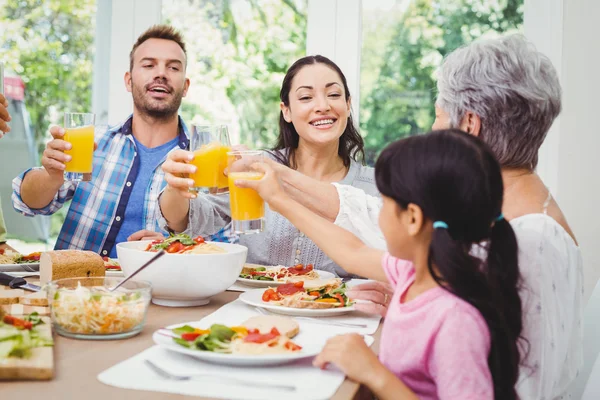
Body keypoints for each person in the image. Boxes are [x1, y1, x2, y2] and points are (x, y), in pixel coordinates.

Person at [342, 34, 584, 400]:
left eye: (438, 117)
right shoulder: (500, 214)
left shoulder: (533, 239)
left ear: (470, 124)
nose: (433, 129)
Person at [237, 129, 523, 399]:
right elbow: (351, 250)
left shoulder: (456, 321)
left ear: (412, 218)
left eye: (384, 202)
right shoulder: (414, 275)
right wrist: (277, 198)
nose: (376, 212)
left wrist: (375, 373)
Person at [159, 55, 379, 277]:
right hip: (253, 307)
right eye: (306, 97)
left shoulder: (376, 187)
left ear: (348, 105)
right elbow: (190, 221)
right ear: (287, 111)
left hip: (338, 309)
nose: (323, 106)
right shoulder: (254, 167)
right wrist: (175, 187)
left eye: (333, 95)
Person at [10, 25, 198, 258]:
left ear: (185, 87)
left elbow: (218, 242)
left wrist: (171, 249)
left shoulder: (199, 161)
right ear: (128, 81)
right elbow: (26, 202)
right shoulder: (91, 141)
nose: (161, 73)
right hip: (74, 290)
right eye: (149, 65)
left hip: (158, 289)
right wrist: (51, 176)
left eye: (173, 67)